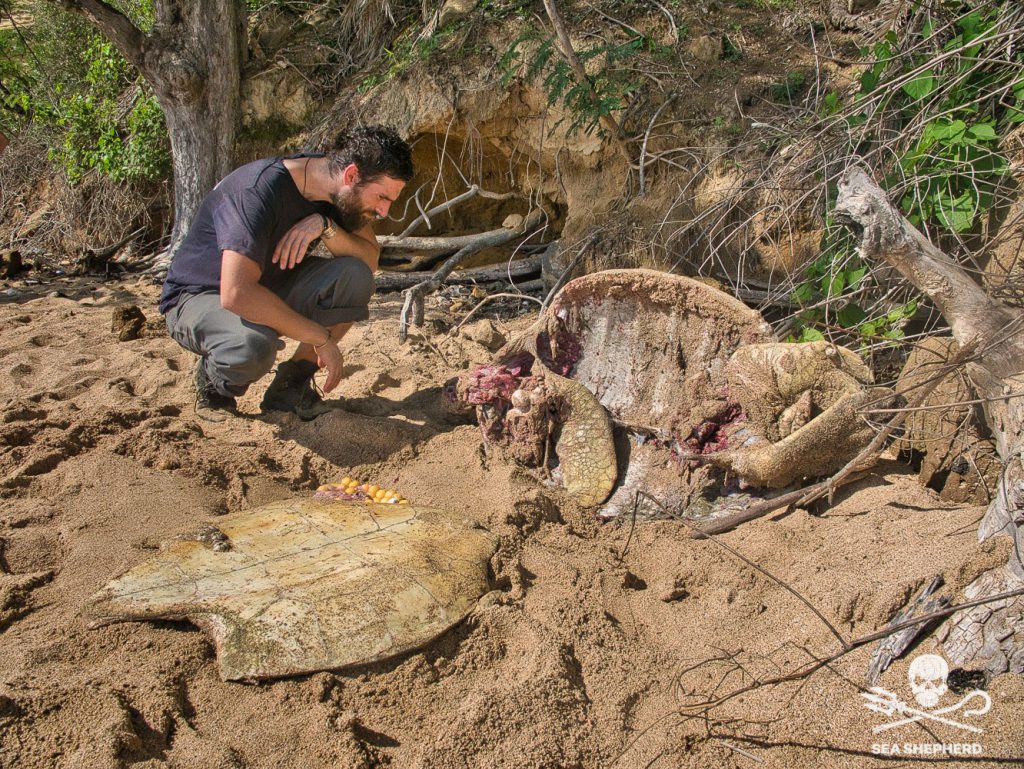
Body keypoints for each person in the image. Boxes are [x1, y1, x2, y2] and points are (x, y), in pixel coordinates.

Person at [159, 125, 413, 421]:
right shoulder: (256, 191)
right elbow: (237, 293)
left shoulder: (335, 192)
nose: (383, 211)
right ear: (352, 176)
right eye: (382, 197)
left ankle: (290, 387)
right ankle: (214, 384)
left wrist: (324, 226)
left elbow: (369, 261)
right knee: (252, 347)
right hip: (201, 295)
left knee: (354, 276)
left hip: (269, 286)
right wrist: (320, 337)